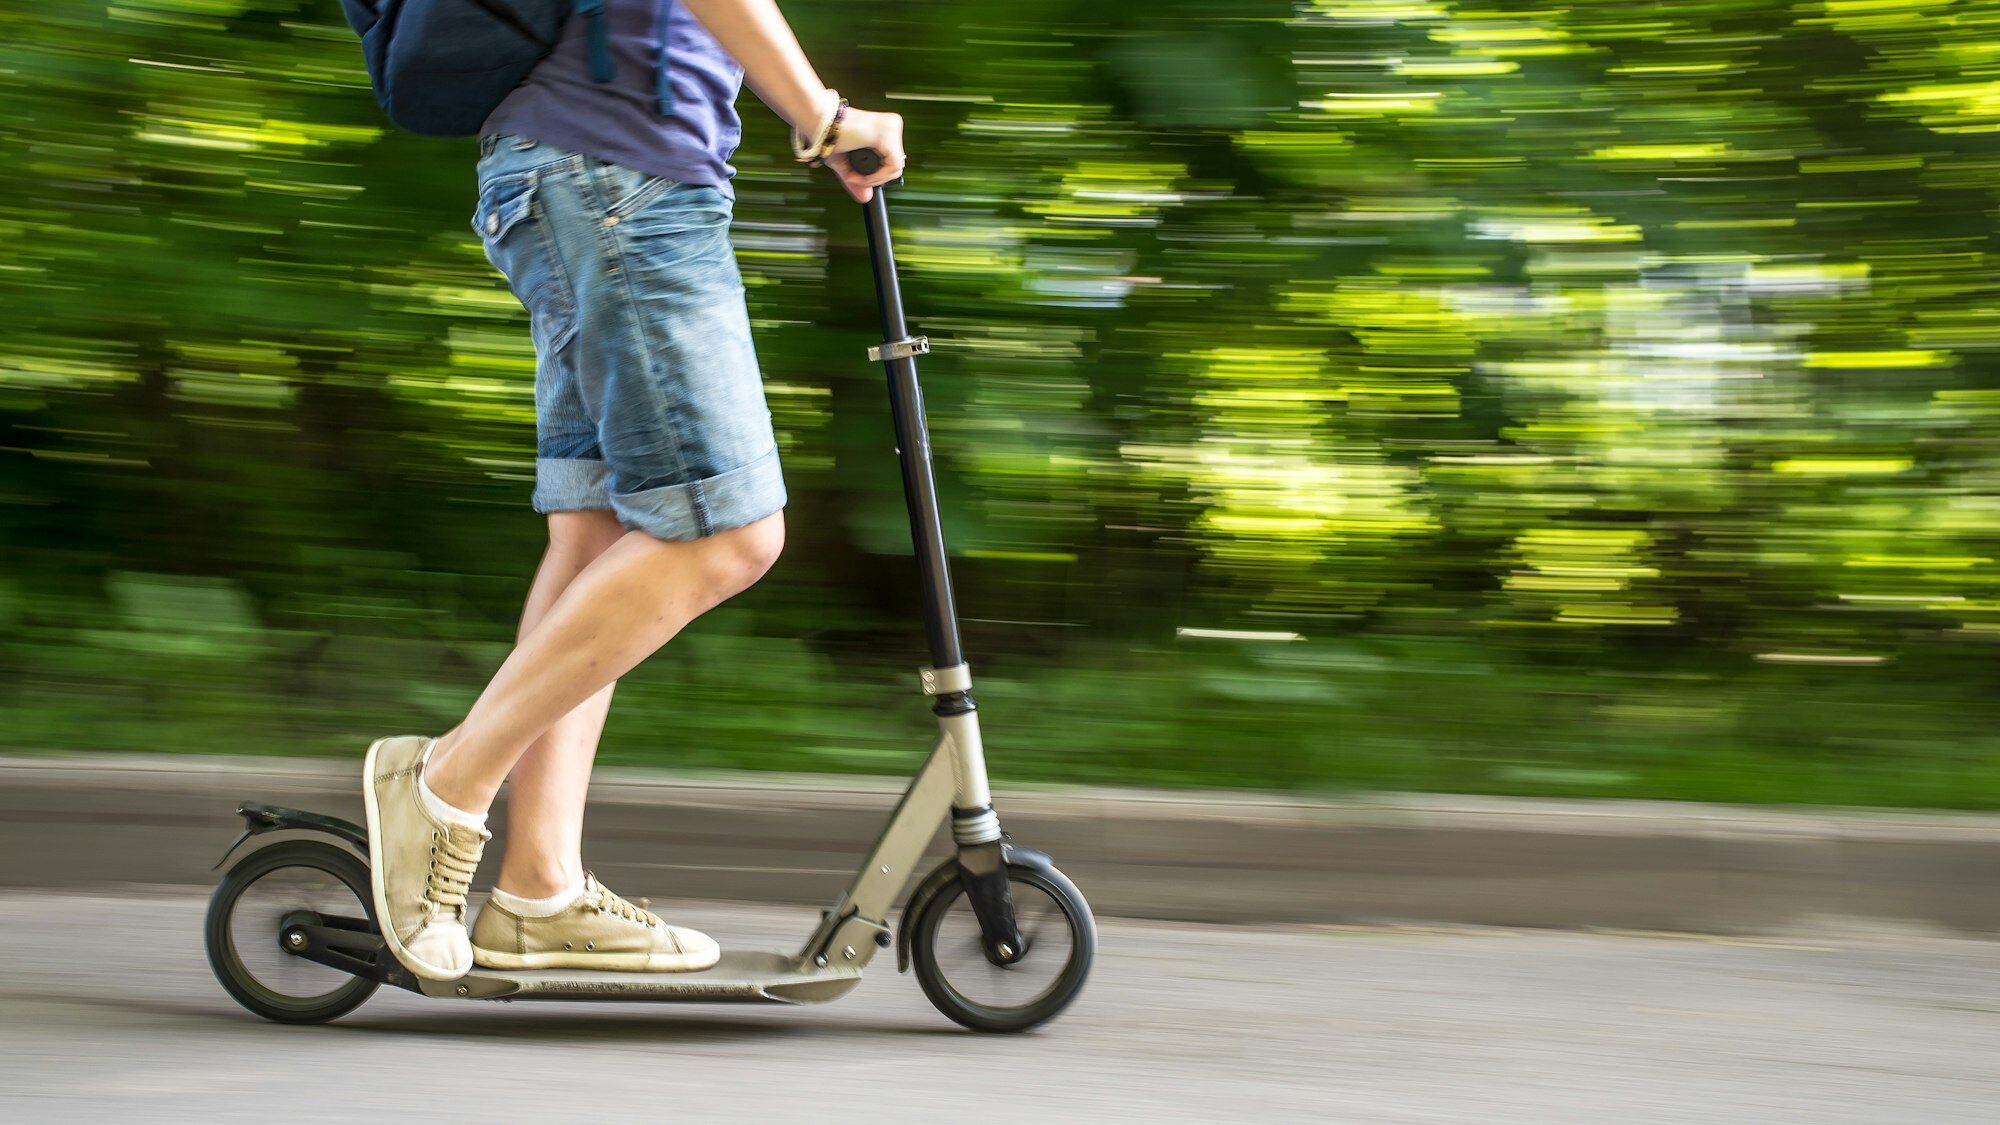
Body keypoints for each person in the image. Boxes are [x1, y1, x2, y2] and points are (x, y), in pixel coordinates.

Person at [361, 0, 906, 981]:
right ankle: (441, 785)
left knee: (600, 542)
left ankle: (537, 891)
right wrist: (821, 115)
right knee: (726, 535)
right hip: (615, 178)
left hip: (573, 172)